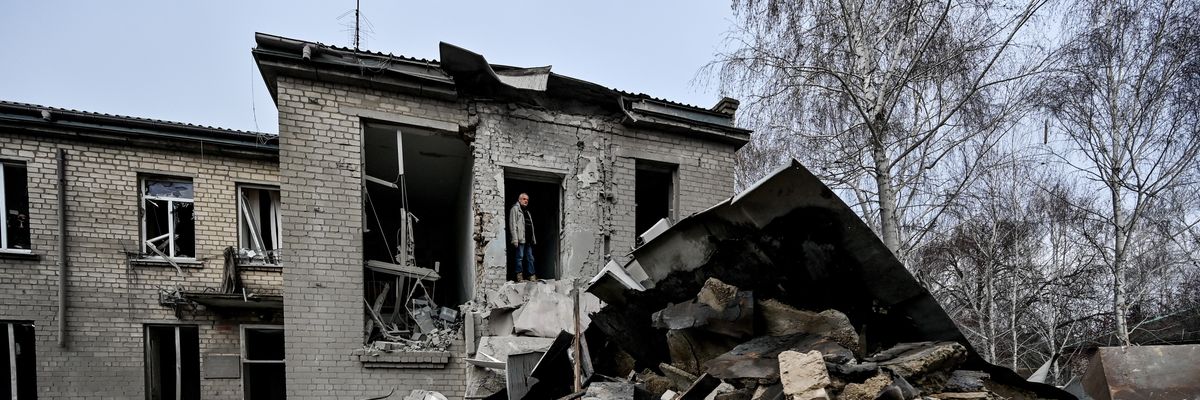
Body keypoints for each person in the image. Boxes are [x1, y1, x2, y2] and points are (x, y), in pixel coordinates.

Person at [508, 193, 537, 282]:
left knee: (530, 257)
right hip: (520, 238)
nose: (526, 201)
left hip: (528, 239)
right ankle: (519, 275)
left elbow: (531, 227)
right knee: (519, 257)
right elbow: (512, 224)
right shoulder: (515, 209)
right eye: (524, 199)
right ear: (519, 199)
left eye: (527, 200)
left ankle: (531, 275)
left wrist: (533, 239)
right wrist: (515, 239)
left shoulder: (527, 212)